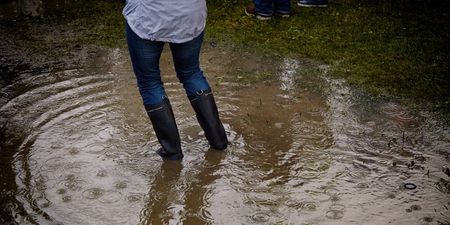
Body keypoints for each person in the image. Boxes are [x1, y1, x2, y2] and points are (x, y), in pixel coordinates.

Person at [123, 0, 228, 160]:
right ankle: (219, 141)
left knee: (150, 83)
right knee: (191, 73)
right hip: (189, 13)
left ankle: (172, 152)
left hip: (148, 15)